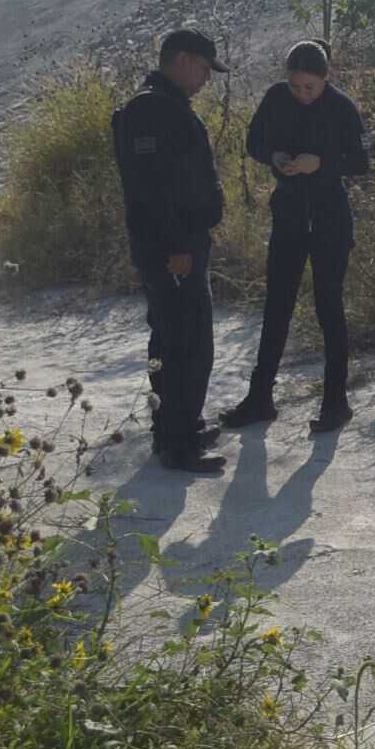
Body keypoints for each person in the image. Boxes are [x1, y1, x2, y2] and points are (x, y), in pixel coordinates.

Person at [220, 41, 372, 435]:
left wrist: (321, 163)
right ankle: (260, 398)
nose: (302, 94)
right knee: (277, 306)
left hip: (329, 218)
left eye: (310, 87)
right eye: (295, 86)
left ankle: (336, 402)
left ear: (326, 79)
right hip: (288, 212)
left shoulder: (341, 107)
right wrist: (274, 157)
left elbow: (362, 162)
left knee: (328, 307)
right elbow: (253, 142)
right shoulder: (275, 98)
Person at [111, 29, 230, 475]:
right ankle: (177, 445)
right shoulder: (150, 111)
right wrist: (178, 246)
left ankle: (180, 427)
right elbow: (154, 191)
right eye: (203, 68)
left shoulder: (163, 107)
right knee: (185, 343)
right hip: (172, 250)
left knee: (178, 339)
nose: (205, 78)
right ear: (181, 60)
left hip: (178, 245)